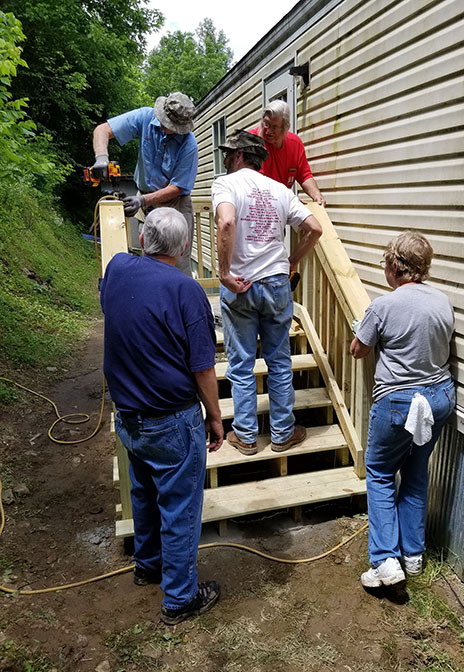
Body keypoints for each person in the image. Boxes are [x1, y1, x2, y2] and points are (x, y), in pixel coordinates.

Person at [100, 207, 224, 625]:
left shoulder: (117, 268)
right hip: (172, 420)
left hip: (130, 417)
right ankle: (179, 599)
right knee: (179, 508)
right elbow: (203, 368)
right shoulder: (185, 289)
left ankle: (147, 566)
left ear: (142, 236)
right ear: (185, 246)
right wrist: (215, 416)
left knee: (145, 495)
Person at [350, 231, 455, 588]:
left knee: (379, 471)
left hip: (399, 401)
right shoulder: (443, 301)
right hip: (440, 396)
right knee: (415, 470)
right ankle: (413, 555)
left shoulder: (383, 305)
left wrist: (362, 330)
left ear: (395, 266)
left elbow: (358, 350)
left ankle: (385, 562)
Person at [212, 129, 322, 455]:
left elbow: (227, 223)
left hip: (241, 284)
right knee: (278, 361)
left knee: (242, 364)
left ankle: (245, 436)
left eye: (229, 154)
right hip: (276, 284)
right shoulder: (280, 189)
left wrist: (223, 272)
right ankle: (282, 433)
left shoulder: (225, 183)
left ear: (241, 156)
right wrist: (291, 260)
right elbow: (313, 229)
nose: (226, 159)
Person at [92, 92, 198, 277]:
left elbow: (178, 187)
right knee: (149, 258)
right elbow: (102, 130)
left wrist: (142, 200)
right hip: (146, 200)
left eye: (174, 128)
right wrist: (101, 157)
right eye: (167, 124)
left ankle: (179, 303)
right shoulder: (144, 117)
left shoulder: (189, 144)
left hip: (175, 204)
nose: (168, 130)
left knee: (177, 263)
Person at [248, 100, 326, 206]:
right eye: (266, 124)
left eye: (274, 127)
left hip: (280, 207)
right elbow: (257, 183)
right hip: (254, 207)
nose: (268, 131)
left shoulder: (295, 144)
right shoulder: (251, 141)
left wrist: (317, 195)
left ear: (286, 128)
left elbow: (304, 175)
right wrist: (288, 198)